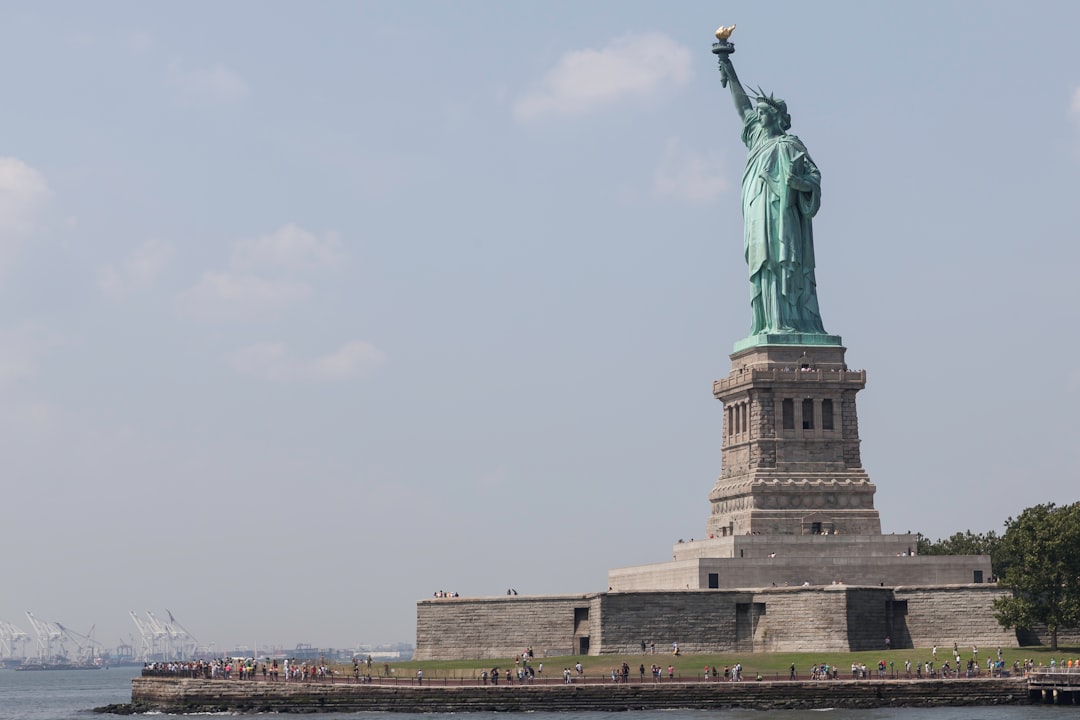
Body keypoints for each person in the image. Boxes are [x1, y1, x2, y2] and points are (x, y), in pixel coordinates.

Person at [715, 50, 827, 337]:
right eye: (759, 112)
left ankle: (790, 320)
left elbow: (814, 179)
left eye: (764, 112)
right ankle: (767, 322)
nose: (758, 115)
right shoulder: (755, 138)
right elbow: (742, 108)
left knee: (782, 261)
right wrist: (729, 69)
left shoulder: (791, 144)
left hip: (783, 214)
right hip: (756, 210)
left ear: (777, 117)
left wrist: (799, 183)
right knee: (762, 263)